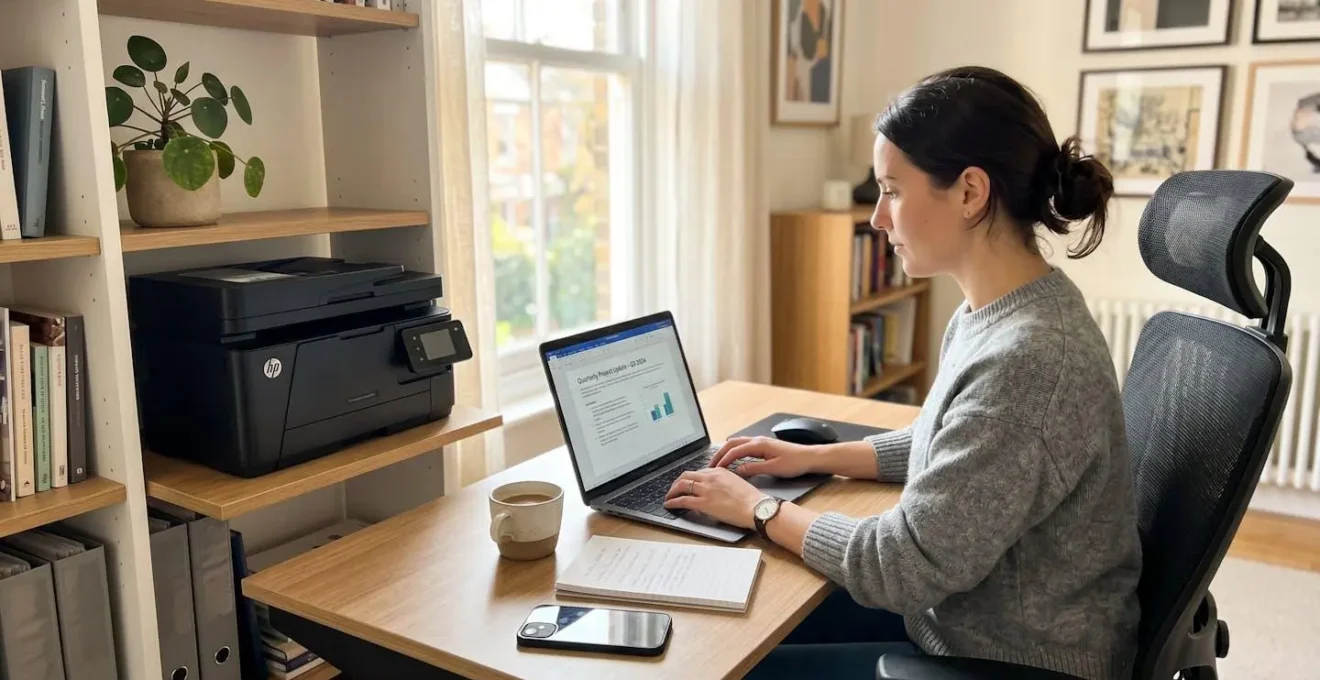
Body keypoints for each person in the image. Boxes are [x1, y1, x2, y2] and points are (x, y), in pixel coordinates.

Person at [663, 66, 1142, 680]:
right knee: (737, 622)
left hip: (1011, 656)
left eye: (892, 190)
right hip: (967, 615)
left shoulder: (1030, 358)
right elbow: (952, 442)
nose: (877, 219)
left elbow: (901, 565)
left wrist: (758, 509)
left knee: (729, 663)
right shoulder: (1005, 310)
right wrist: (817, 457)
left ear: (971, 192)